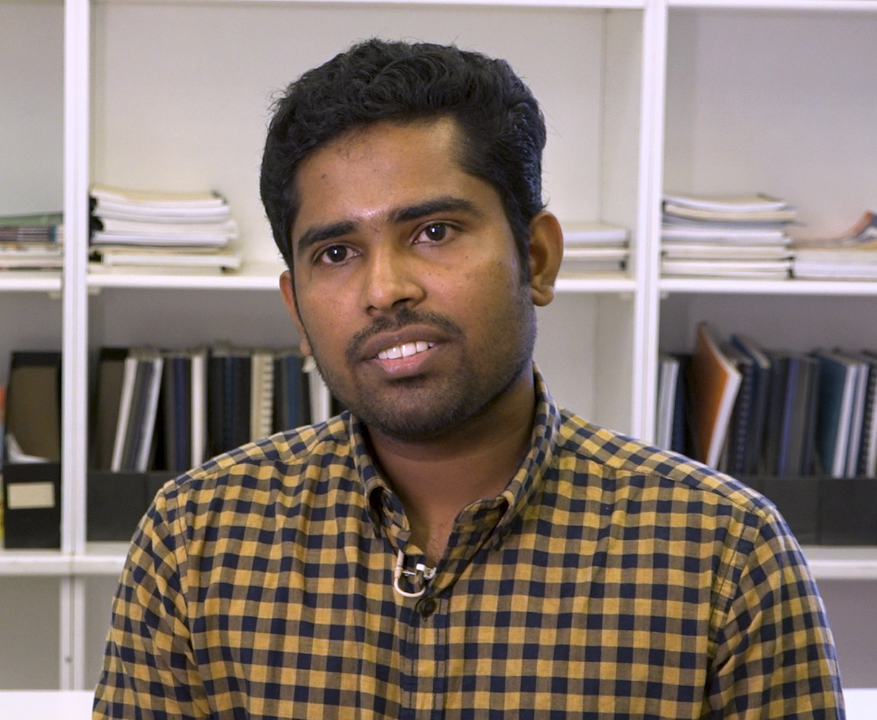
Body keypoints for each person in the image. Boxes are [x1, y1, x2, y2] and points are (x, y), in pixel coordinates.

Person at [93, 39, 844, 718]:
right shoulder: (198, 538)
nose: (385, 290)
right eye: (336, 253)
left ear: (537, 259)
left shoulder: (721, 554)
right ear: (296, 306)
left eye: (434, 232)